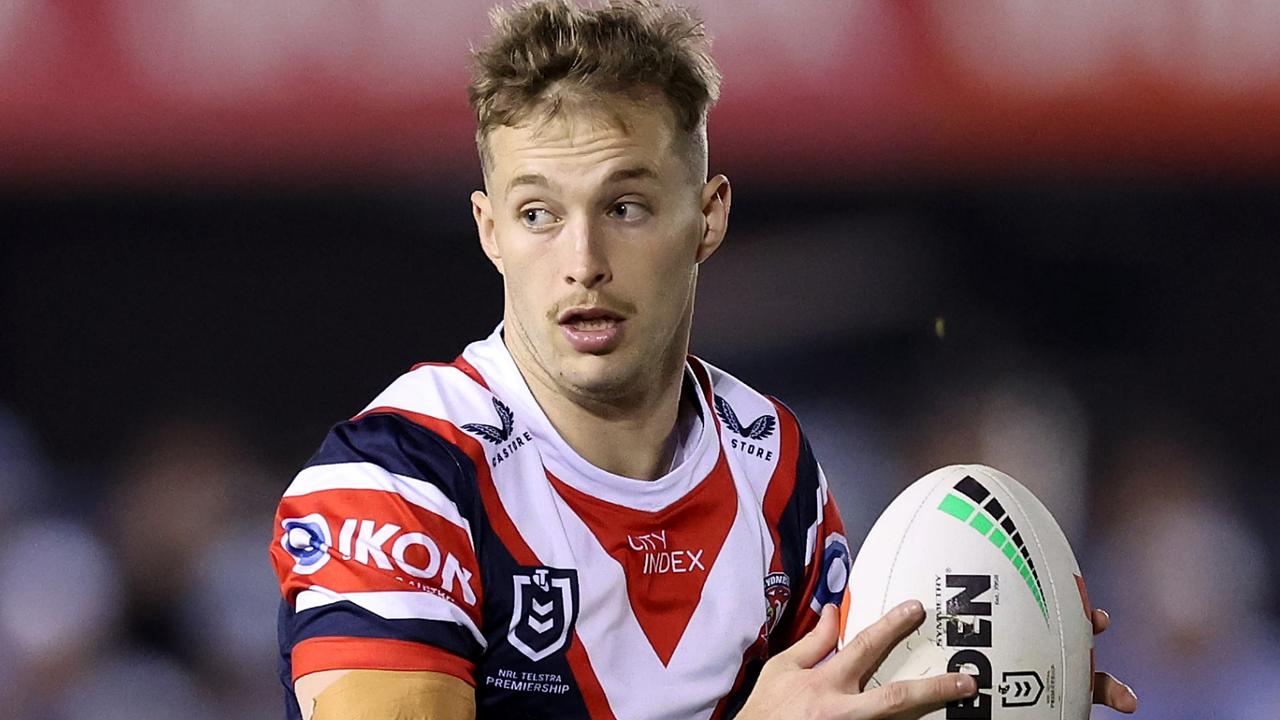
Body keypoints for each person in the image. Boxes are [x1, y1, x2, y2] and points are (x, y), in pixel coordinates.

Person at [269, 2, 1138, 718]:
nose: (582, 261)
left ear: (709, 217)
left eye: (628, 206)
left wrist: (992, 676)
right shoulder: (399, 480)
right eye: (539, 214)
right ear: (490, 231)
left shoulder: (774, 468)